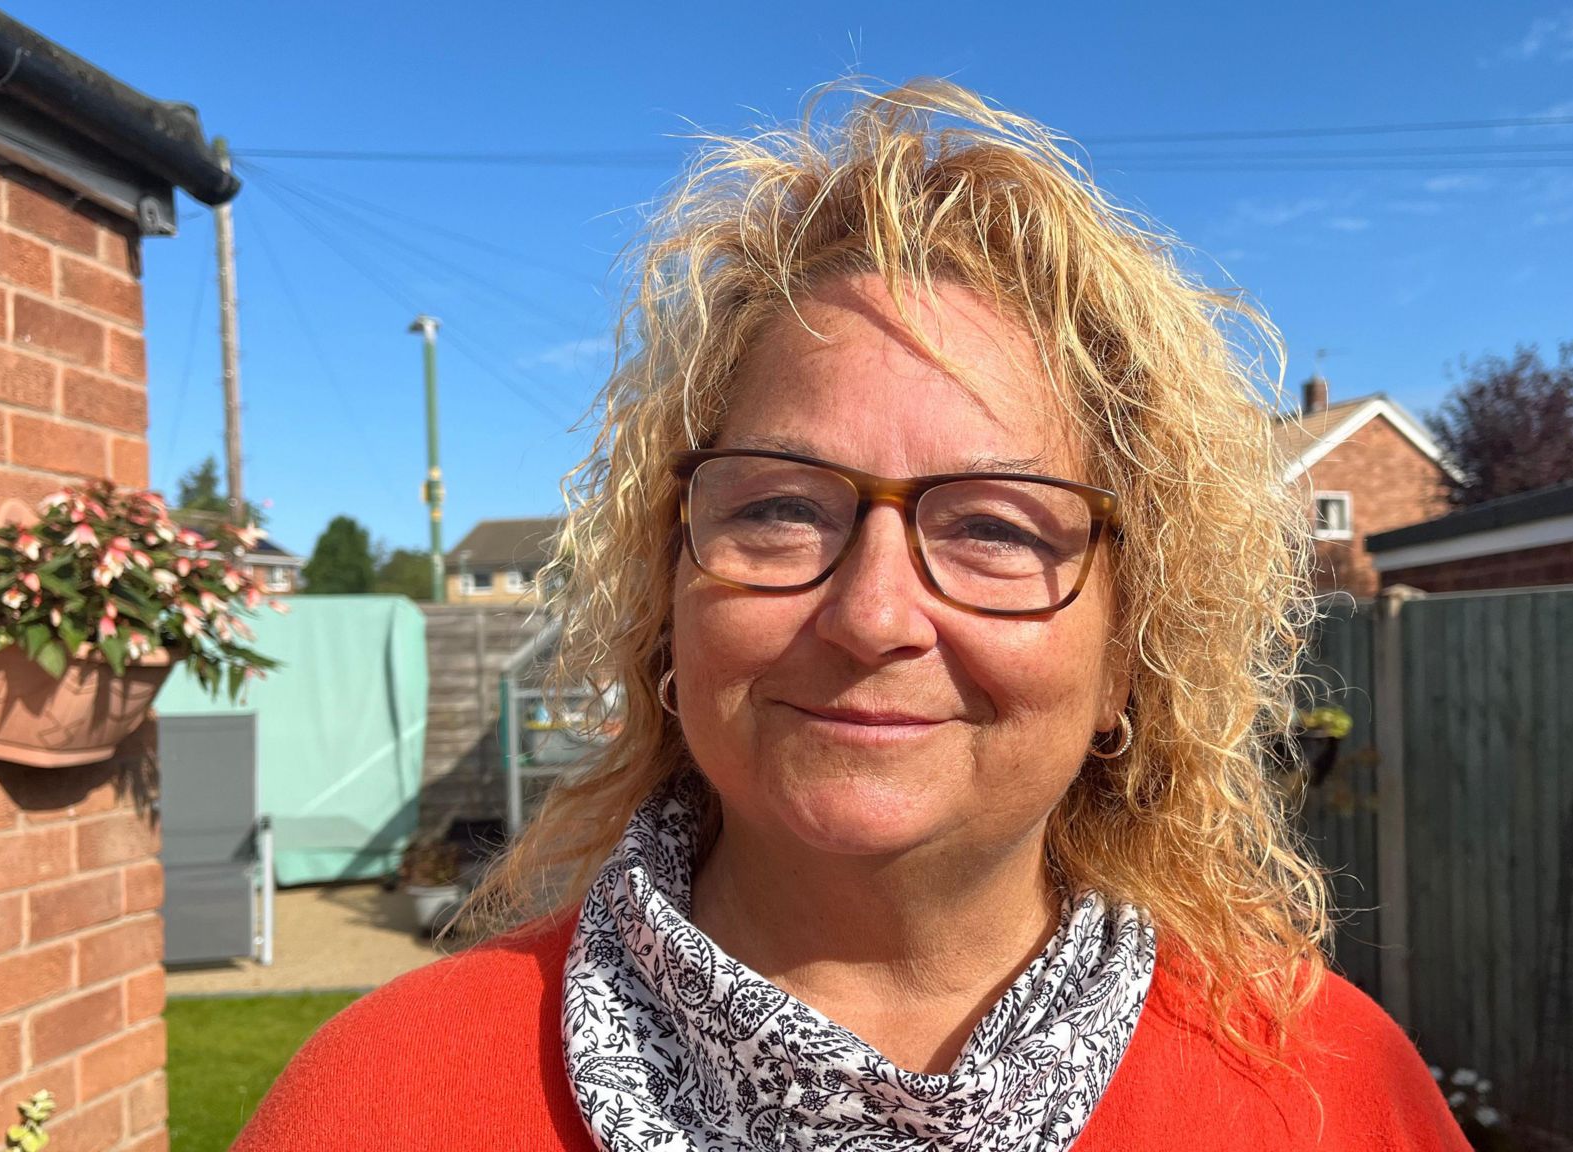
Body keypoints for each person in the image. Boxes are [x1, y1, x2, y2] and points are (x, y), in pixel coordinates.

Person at [235, 81, 1467, 1151]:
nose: (873, 613)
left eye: (993, 526)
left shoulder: (1332, 1093)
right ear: (667, 609)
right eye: (778, 508)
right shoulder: (376, 1101)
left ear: (1127, 659)